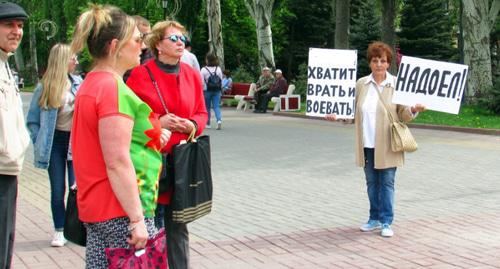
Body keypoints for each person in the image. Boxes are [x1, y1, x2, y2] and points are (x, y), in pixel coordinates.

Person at [70, 4, 170, 267]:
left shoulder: (92, 83)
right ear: (116, 46)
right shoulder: (114, 89)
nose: (143, 46)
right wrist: (137, 219)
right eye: (137, 40)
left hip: (98, 206)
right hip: (120, 209)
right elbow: (117, 160)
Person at [126, 20, 207, 269]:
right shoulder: (140, 75)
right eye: (173, 38)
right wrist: (158, 122)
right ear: (158, 44)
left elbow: (202, 113)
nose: (180, 42)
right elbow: (130, 118)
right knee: (153, 225)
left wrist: (191, 125)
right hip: (152, 163)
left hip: (182, 161)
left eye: (182, 38)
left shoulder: (192, 74)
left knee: (179, 226)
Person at [326, 41, 425, 237]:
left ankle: (386, 222)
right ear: (369, 63)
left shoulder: (396, 84)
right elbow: (353, 113)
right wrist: (338, 117)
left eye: (383, 60)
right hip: (366, 143)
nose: (379, 64)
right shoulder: (361, 84)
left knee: (387, 183)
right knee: (371, 183)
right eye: (374, 60)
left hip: (388, 143)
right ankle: (374, 218)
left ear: (388, 63)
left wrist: (414, 109)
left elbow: (403, 115)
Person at [26, 43, 81, 247]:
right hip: (54, 144)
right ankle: (59, 230)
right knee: (58, 190)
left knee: (77, 189)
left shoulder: (78, 83)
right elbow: (32, 120)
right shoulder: (45, 86)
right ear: (61, 60)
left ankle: (75, 228)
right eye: (72, 58)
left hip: (75, 142)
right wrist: (39, 140)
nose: (75, 61)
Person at [0, 2, 30, 268]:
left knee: (5, 244)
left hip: (8, 170)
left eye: (19, 26)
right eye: (9, 24)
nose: (16, 31)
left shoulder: (5, 65)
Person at [123, 15, 153, 82]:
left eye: (149, 34)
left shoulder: (153, 52)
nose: (148, 38)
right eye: (145, 35)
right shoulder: (124, 53)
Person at [201, 53, 223, 130]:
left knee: (207, 107)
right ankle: (219, 120)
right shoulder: (218, 69)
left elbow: (201, 82)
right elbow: (221, 79)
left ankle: (208, 123)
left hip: (207, 90)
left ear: (207, 60)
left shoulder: (204, 69)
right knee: (216, 106)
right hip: (217, 90)